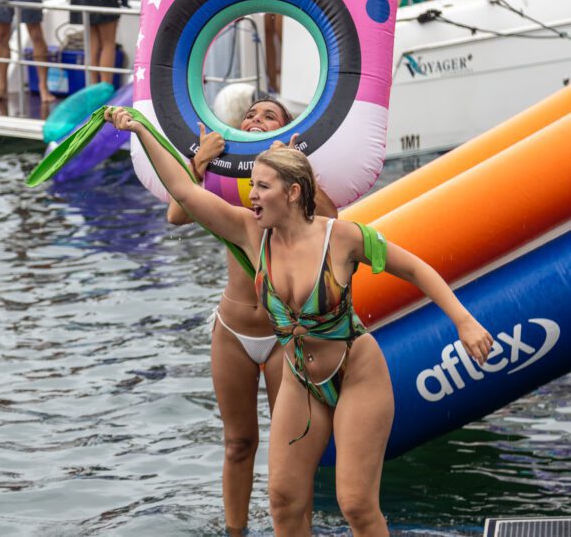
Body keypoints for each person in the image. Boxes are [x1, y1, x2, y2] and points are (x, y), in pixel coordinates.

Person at [105, 106, 494, 535]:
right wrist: (141, 130)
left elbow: (415, 270)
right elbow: (182, 189)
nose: (252, 195)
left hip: (356, 375)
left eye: (262, 187)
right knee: (284, 503)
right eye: (253, 185)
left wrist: (465, 322)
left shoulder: (341, 237)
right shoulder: (252, 234)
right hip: (300, 381)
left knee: (356, 505)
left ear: (292, 193)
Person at [167, 98, 336, 536]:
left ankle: (300, 530)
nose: (254, 120)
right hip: (233, 330)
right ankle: (235, 532)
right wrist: (199, 162)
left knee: (292, 448)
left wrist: (298, 167)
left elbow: (332, 224)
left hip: (285, 335)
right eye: (249, 114)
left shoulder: (293, 192)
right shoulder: (234, 191)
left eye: (267, 116)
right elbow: (177, 214)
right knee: (239, 443)